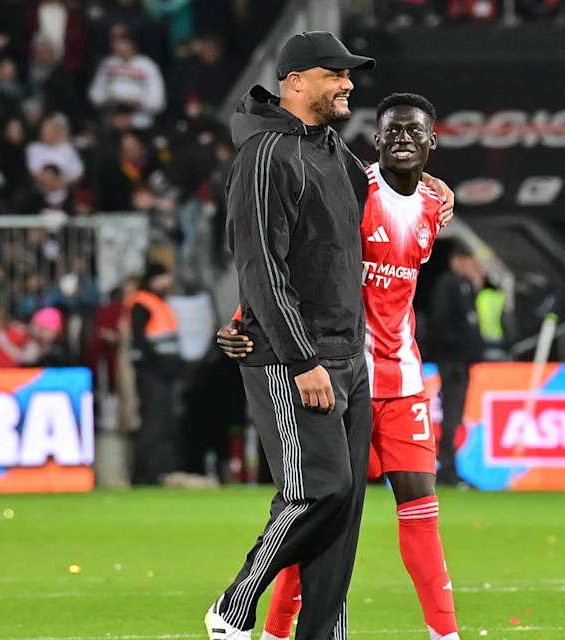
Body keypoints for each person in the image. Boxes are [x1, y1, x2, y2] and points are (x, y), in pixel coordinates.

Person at [204, 32, 453, 640]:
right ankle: (235, 608)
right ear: (295, 82)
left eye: (348, 74)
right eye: (334, 74)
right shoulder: (265, 154)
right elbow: (262, 263)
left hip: (352, 360)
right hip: (299, 361)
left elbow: (381, 202)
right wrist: (282, 346)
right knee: (320, 491)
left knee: (342, 511)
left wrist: (434, 191)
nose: (348, 84)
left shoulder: (332, 150)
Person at [426, 242, 484, 485]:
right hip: (452, 361)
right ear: (457, 261)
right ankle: (446, 467)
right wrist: (454, 353)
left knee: (456, 414)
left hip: (462, 360)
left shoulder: (466, 286)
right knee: (451, 412)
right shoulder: (448, 285)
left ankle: (451, 465)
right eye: (468, 260)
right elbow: (440, 321)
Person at [127, 263, 183, 485]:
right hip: (152, 373)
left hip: (164, 373)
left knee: (162, 425)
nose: (167, 283)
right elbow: (141, 342)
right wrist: (160, 365)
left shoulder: (159, 304)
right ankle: (143, 476)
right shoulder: (142, 303)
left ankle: (157, 472)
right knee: (152, 425)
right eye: (163, 278)